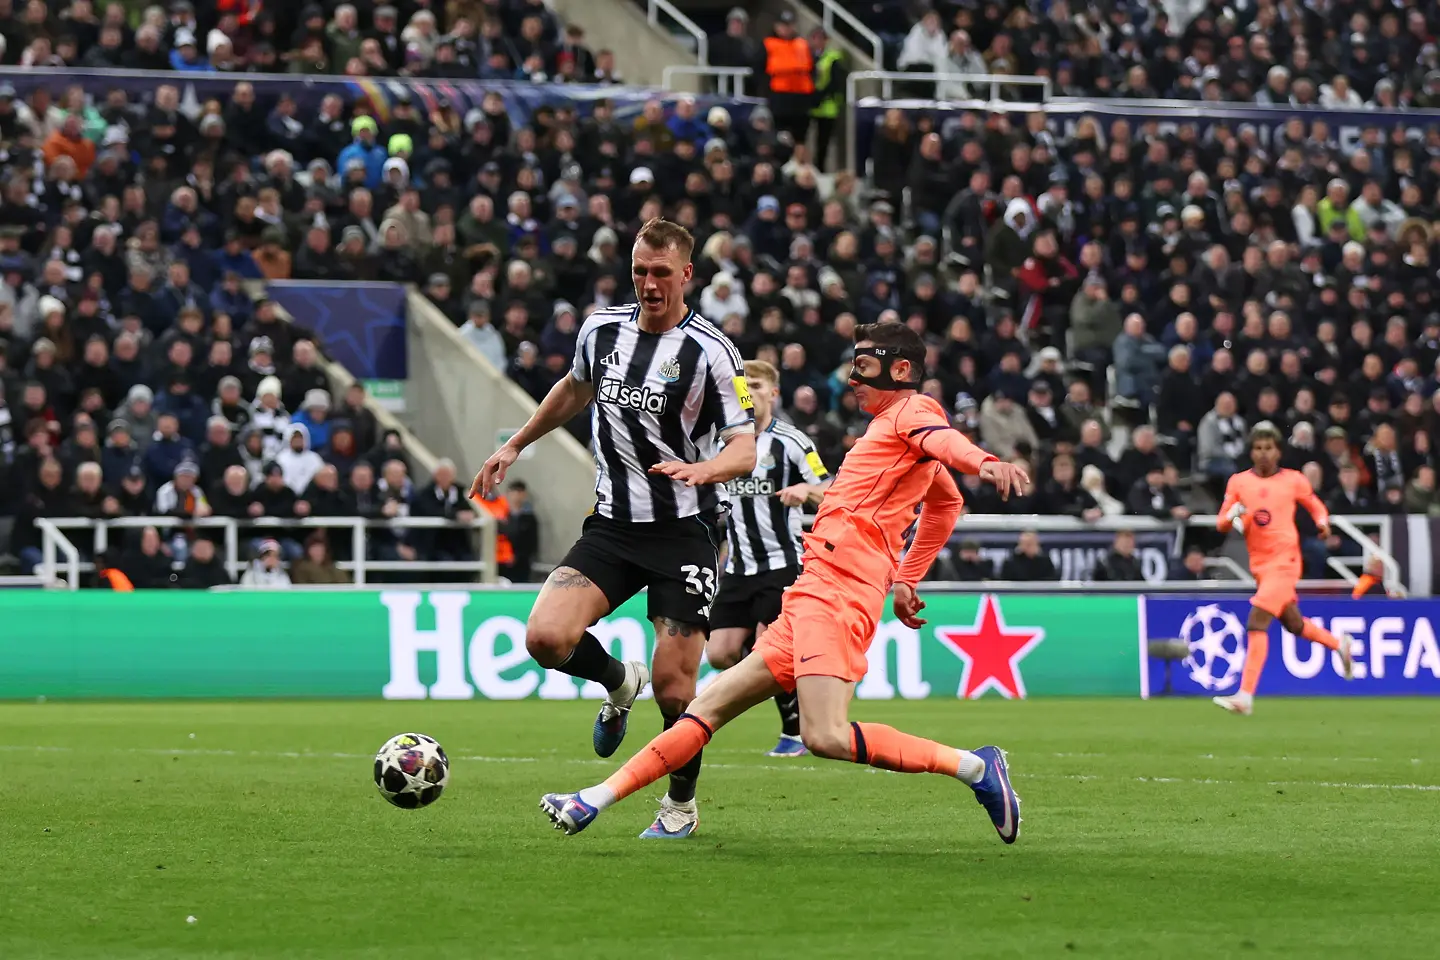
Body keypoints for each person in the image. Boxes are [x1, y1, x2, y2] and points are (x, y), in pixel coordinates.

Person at [537, 322, 1030, 844]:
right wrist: (908, 579)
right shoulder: (893, 434)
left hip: (839, 591)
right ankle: (594, 799)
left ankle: (977, 768)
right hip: (811, 588)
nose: (852, 379)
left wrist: (984, 461)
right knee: (704, 708)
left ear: (901, 369)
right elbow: (946, 502)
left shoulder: (913, 412)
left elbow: (945, 443)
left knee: (826, 736)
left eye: (864, 368)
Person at [469, 218, 757, 839]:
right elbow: (574, 389)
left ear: (686, 274)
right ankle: (617, 680)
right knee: (545, 638)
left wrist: (703, 470)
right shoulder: (601, 330)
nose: (649, 284)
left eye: (661, 273)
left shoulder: (712, 352)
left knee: (676, 690)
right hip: (612, 528)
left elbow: (744, 449)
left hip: (684, 532)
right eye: (639, 272)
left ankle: (680, 803)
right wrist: (516, 444)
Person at [707, 359, 830, 758]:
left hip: (782, 564)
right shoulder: (724, 443)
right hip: (738, 566)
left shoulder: (792, 441)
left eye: (758, 386)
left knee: (767, 647)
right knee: (719, 653)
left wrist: (805, 491)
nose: (750, 393)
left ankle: (794, 731)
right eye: (745, 386)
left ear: (774, 393)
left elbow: (829, 488)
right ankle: (786, 678)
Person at [1213, 422, 1355, 715]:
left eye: (1269, 448)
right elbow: (1221, 524)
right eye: (1258, 448)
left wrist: (1322, 523)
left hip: (1285, 561)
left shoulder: (1293, 480)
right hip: (1260, 566)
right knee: (1293, 624)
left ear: (1278, 451)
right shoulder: (1239, 482)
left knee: (1257, 621)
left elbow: (1314, 505)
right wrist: (1232, 514)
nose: (1263, 453)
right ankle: (1339, 644)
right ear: (1251, 452)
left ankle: (1245, 696)